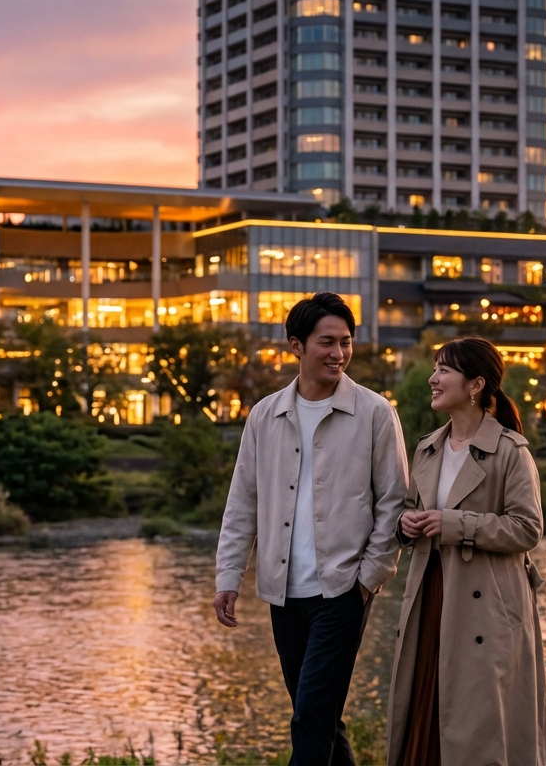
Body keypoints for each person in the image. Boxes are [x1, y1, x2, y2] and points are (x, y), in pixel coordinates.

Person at [213, 292, 407, 766]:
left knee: (310, 716)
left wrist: (369, 579)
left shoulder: (375, 413)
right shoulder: (264, 415)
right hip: (283, 591)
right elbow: (243, 501)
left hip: (342, 589)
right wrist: (228, 577)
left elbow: (395, 501)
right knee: (316, 713)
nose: (338, 353)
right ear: (296, 346)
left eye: (346, 342)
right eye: (327, 342)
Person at [385, 337, 546, 766]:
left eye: (444, 370)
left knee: (479, 719)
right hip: (433, 596)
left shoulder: (511, 452)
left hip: (486, 606)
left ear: (476, 384)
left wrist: (454, 525)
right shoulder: (427, 447)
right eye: (436, 369)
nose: (432, 378)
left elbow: (528, 529)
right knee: (426, 702)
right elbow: (411, 511)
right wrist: (407, 524)